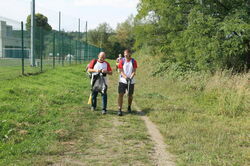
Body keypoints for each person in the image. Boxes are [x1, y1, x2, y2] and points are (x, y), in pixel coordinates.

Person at [117, 49, 137, 116]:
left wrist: (130, 78)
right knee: (121, 94)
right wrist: (126, 77)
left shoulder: (133, 61)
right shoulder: (121, 61)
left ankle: (129, 107)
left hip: (131, 81)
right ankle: (119, 109)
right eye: (124, 53)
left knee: (130, 95)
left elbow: (134, 71)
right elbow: (121, 71)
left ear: (130, 54)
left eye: (127, 54)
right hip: (122, 80)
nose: (125, 55)